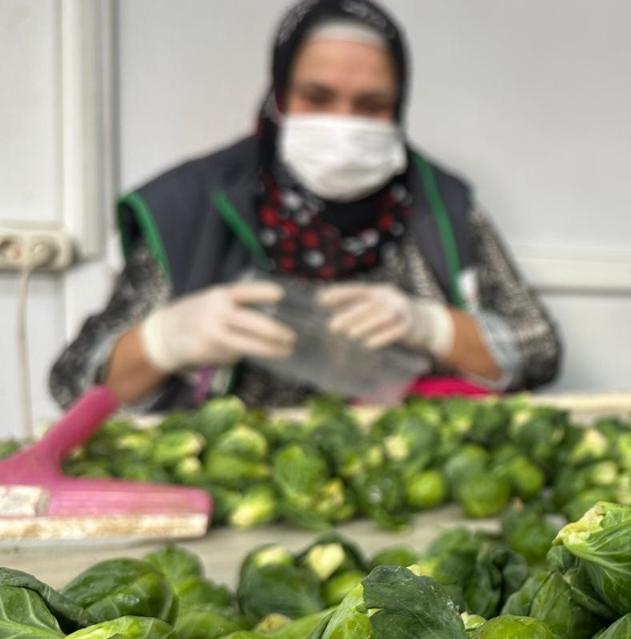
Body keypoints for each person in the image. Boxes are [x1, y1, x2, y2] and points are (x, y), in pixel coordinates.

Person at [50, 0, 560, 410]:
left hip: (409, 471)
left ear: (398, 108)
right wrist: (164, 339)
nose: (343, 123)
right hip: (233, 489)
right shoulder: (192, 203)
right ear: (278, 98)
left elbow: (538, 349)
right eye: (317, 98)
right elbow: (74, 381)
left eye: (371, 106)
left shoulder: (442, 204)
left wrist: (433, 326)